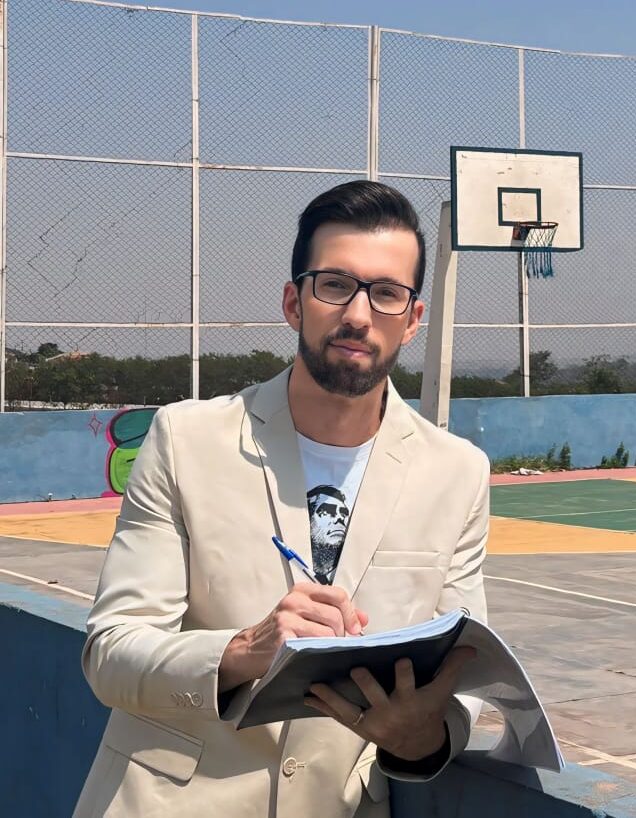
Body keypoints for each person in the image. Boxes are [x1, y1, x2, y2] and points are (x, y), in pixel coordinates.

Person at [74, 181, 489, 818]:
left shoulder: (456, 472)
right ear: (295, 303)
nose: (359, 314)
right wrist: (245, 650)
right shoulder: (187, 440)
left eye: (386, 293)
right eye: (335, 284)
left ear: (412, 319)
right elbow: (111, 653)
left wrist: (420, 739)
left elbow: (464, 677)